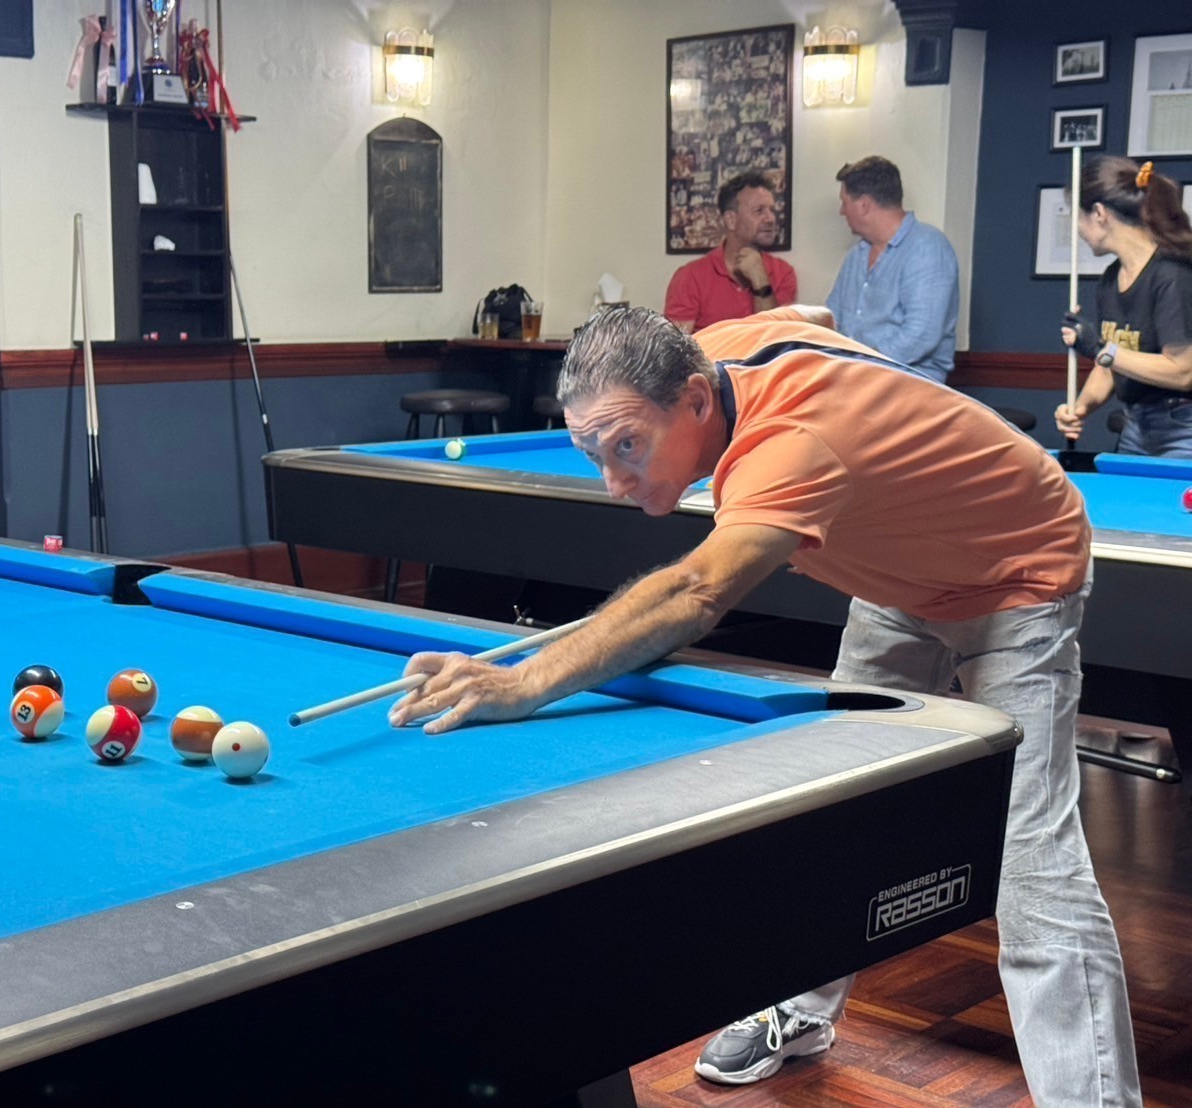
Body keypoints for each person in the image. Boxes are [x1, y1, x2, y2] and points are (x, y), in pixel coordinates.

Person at [389, 305, 1141, 1107]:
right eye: (593, 454)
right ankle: (802, 1010)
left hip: (1016, 575)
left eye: (627, 446)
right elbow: (809, 315)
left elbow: (694, 592)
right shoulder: (707, 355)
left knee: (1030, 866)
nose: (614, 481)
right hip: (895, 576)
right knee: (839, 805)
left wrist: (521, 681)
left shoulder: (790, 444)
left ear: (693, 400)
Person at [1056, 157, 1192, 457]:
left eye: (1077, 216)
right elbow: (1111, 367)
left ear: (1099, 214)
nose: (1076, 228)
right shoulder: (1110, 279)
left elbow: (1183, 372)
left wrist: (1100, 349)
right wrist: (1079, 409)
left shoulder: (1172, 274)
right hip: (1137, 425)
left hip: (1184, 428)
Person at [826, 156, 958, 382]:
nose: (841, 211)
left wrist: (859, 369)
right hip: (853, 382)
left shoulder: (927, 248)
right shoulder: (855, 257)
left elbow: (920, 337)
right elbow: (831, 319)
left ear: (864, 205)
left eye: (844, 202)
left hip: (910, 384)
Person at [663, 170, 797, 333]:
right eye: (759, 211)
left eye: (772, 210)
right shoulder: (690, 276)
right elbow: (674, 346)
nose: (771, 218)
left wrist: (761, 281)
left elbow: (777, 337)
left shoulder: (784, 273)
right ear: (731, 220)